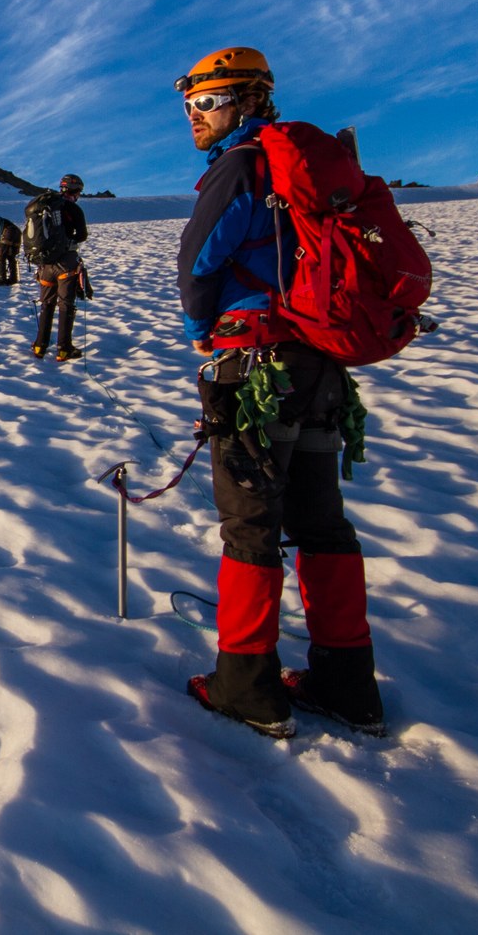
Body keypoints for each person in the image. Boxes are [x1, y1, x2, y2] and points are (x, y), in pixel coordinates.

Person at [175, 47, 384, 739]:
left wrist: (201, 329)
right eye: (190, 104)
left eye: (206, 102)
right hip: (320, 369)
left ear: (247, 99)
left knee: (251, 525)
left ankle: (246, 683)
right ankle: (347, 680)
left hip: (254, 368)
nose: (195, 116)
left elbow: (198, 263)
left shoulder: (241, 166)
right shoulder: (305, 170)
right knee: (323, 523)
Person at [25, 173, 89, 361]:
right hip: (66, 263)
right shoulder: (73, 209)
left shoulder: (45, 207)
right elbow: (82, 235)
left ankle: (40, 346)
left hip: (45, 264)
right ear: (75, 190)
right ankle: (63, 348)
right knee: (66, 305)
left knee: (47, 304)